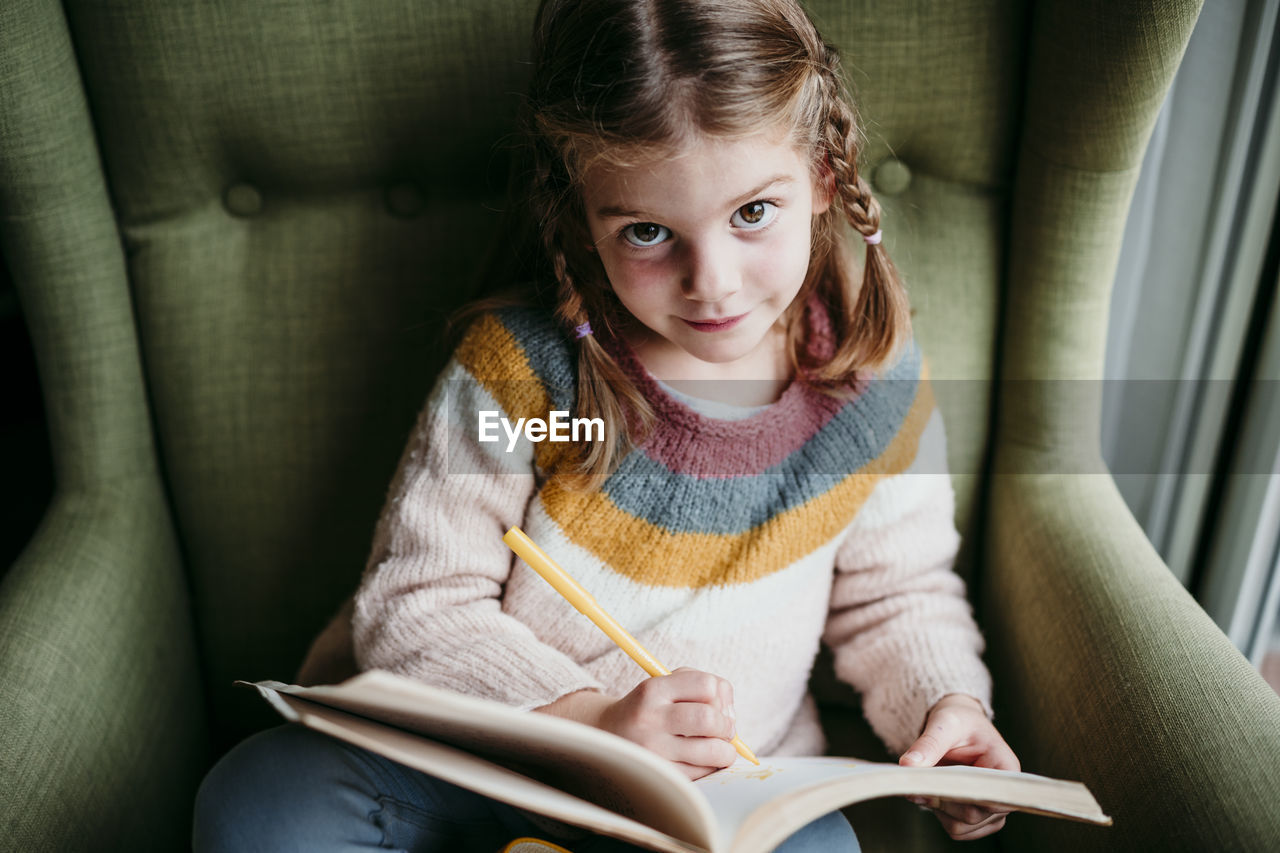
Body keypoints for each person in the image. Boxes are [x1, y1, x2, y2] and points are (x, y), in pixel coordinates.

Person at [194, 0, 1020, 849]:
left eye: (752, 213)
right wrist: (591, 719)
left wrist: (945, 705)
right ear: (584, 221)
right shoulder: (525, 373)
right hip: (485, 770)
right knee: (262, 799)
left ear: (820, 173)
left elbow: (899, 595)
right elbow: (415, 602)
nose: (714, 282)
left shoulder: (869, 376)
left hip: (715, 804)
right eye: (650, 232)